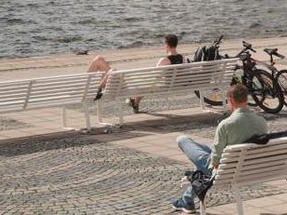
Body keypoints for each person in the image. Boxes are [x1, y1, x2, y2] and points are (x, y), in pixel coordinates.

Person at [170, 84, 267, 213]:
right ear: (245, 99)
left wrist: (215, 161)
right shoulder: (261, 121)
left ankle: (186, 201)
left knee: (182, 139)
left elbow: (215, 162)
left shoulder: (226, 125)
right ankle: (187, 200)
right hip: (250, 167)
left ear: (231, 100)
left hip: (225, 171)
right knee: (207, 148)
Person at [87, 33, 187, 113]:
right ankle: (134, 102)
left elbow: (152, 77)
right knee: (103, 64)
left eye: (164, 44)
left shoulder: (164, 61)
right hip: (171, 85)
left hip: (133, 86)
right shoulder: (182, 58)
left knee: (106, 66)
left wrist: (136, 79)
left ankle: (96, 89)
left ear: (167, 45)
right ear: (176, 44)